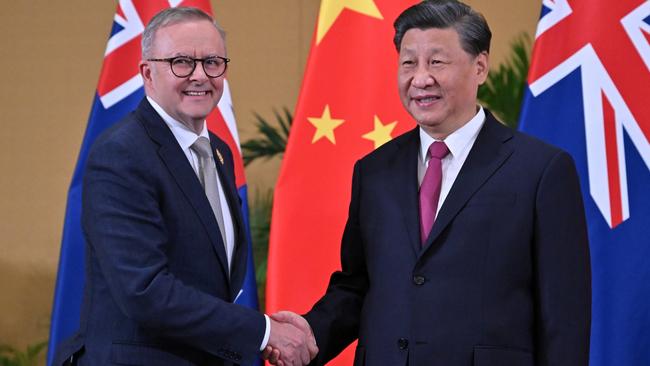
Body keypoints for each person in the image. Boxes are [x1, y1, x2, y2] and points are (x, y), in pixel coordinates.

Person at [266, 0, 591, 365]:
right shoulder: (374, 171)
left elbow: (563, 315)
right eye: (408, 62)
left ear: (480, 66)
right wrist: (310, 334)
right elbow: (360, 285)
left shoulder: (541, 170)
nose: (420, 78)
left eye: (436, 61)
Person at [53, 7, 316, 366]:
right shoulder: (122, 154)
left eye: (212, 61)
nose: (200, 76)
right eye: (181, 62)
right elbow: (144, 291)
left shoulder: (218, 153)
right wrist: (264, 332)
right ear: (148, 72)